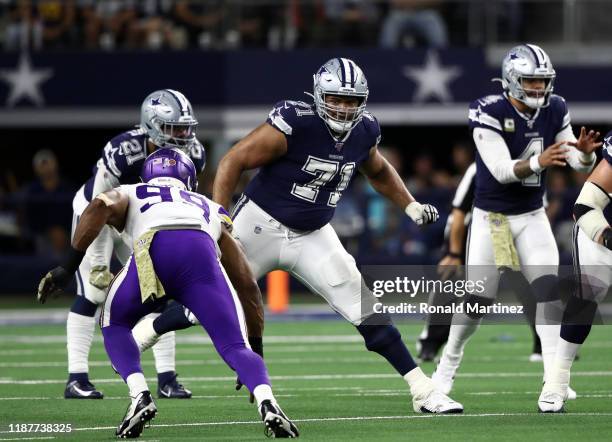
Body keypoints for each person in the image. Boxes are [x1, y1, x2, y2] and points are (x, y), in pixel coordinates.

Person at [210, 57, 462, 413]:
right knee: (204, 299)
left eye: (351, 101)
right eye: (336, 99)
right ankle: (140, 336)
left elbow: (378, 170)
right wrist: (218, 218)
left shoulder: (364, 131)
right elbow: (231, 161)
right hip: (260, 224)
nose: (344, 108)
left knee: (366, 309)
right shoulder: (294, 123)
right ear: (318, 95)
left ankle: (423, 391)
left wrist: (409, 205)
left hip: (313, 232)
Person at [37, 149, 298, 438]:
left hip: (155, 247)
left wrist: (67, 267)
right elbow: (247, 284)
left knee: (114, 321)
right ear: (189, 180)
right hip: (201, 253)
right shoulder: (208, 205)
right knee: (235, 347)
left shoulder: (133, 191)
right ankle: (267, 400)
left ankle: (139, 395)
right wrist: (255, 349)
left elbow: (99, 205)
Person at [431, 44, 601, 406]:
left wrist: (584, 152)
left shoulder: (556, 108)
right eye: (531, 81)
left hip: (532, 214)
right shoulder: (487, 110)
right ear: (511, 80)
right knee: (477, 301)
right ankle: (447, 365)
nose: (539, 89)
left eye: (542, 81)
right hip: (493, 217)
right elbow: (501, 170)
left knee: (548, 294)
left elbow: (578, 163)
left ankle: (553, 379)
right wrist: (541, 161)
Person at [64, 89, 205, 399]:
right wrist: (99, 263)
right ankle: (76, 377)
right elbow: (97, 205)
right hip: (97, 216)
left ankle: (167, 379)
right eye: (174, 128)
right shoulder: (123, 151)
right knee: (94, 290)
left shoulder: (192, 154)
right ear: (151, 126)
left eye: (186, 127)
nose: (183, 135)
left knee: (160, 290)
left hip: (141, 221)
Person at [418, 162, 541, 362]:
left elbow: (540, 208)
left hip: (513, 230)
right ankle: (430, 342)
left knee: (530, 284)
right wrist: (454, 252)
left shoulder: (530, 165)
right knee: (452, 280)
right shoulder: (478, 169)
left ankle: (543, 344)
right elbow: (458, 213)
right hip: (475, 230)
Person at [538, 135, 611, 412]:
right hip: (602, 228)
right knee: (589, 293)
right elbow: (585, 206)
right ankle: (556, 382)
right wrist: (608, 237)